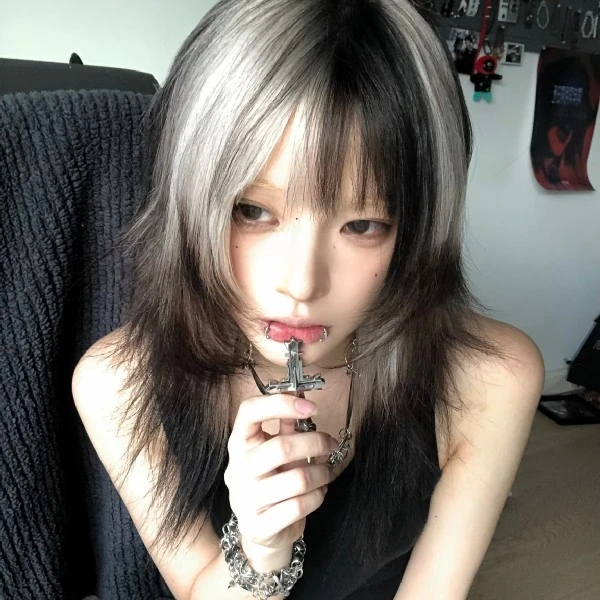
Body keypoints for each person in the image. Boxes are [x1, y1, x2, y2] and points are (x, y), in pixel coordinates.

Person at [71, 1, 545, 598]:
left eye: (363, 225)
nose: (301, 285)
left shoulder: (490, 377)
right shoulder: (119, 384)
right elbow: (196, 589)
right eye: (252, 211)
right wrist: (259, 552)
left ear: (418, 232)